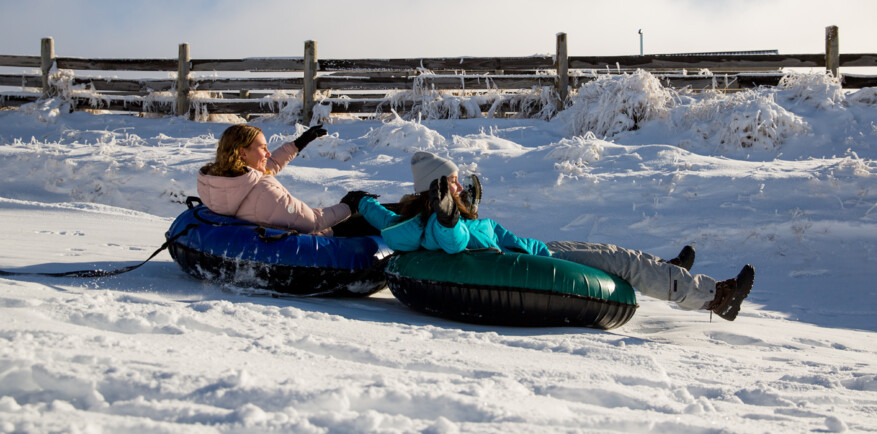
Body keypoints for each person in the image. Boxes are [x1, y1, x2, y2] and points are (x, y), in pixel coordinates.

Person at [356, 151, 755, 321]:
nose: (461, 189)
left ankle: (665, 272)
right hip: (534, 262)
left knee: (614, 252)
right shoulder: (436, 225)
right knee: (622, 264)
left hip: (538, 246)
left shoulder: (431, 215)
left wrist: (361, 202)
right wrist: (445, 218)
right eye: (454, 183)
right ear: (438, 188)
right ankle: (714, 298)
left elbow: (385, 216)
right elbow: (451, 242)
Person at [197, 124, 372, 236]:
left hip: (258, 229)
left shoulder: (218, 181)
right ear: (242, 153)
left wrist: (298, 144)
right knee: (370, 219)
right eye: (263, 148)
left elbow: (265, 168)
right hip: (312, 242)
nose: (268, 153)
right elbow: (313, 222)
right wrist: (349, 205)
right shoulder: (263, 191)